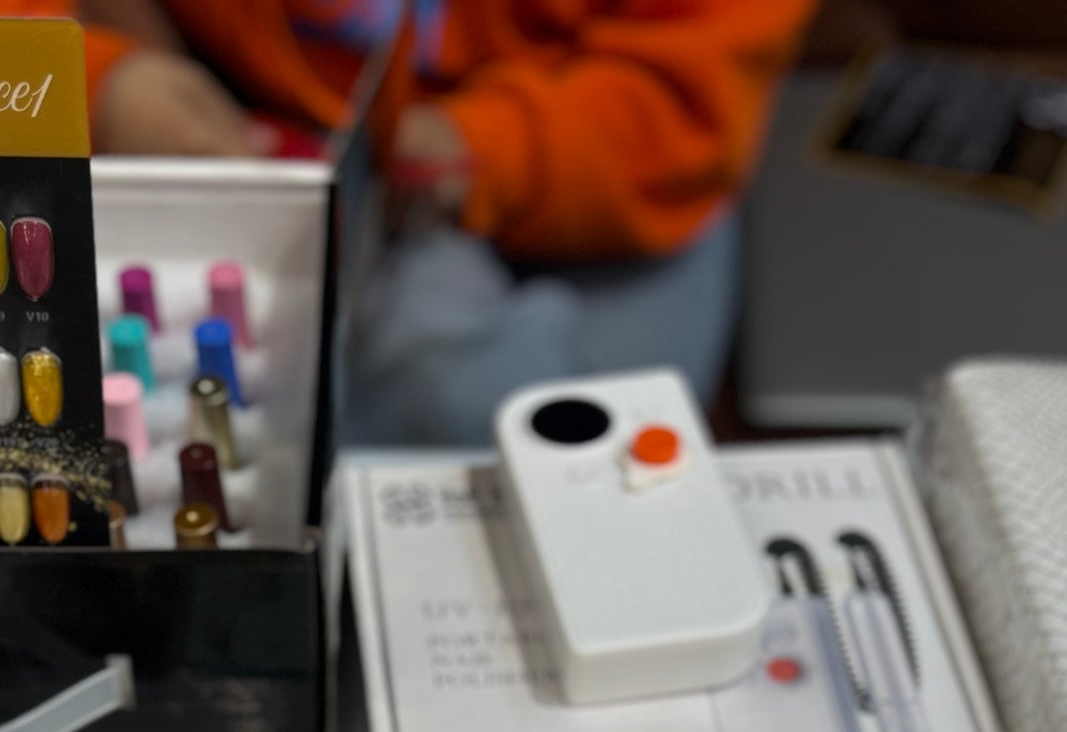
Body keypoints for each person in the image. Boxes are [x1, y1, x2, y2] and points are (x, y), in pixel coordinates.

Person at [83, 0, 815, 444]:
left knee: (561, 433)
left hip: (603, 162)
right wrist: (101, 79)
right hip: (257, 118)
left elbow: (677, 104)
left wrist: (483, 150)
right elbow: (6, 42)